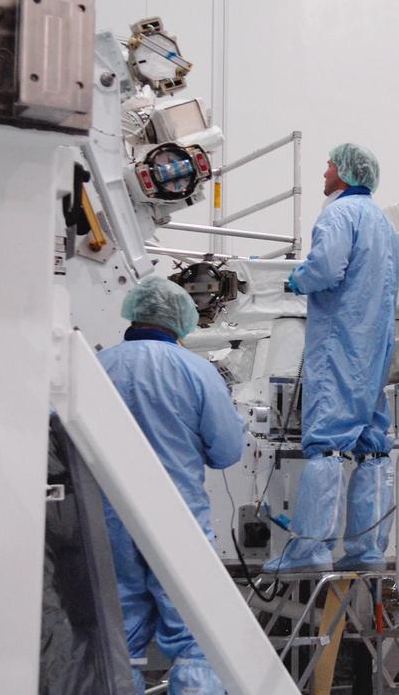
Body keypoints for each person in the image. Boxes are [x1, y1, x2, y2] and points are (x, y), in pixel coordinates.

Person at [99, 275, 246, 694]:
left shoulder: (97, 367)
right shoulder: (197, 372)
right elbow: (226, 451)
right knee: (198, 638)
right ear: (181, 319)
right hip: (176, 520)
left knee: (114, 643)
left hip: (108, 521)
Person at [263, 143, 399, 574]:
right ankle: (367, 549)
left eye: (328, 165)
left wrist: (294, 281)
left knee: (327, 444)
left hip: (341, 343)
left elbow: (325, 269)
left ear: (343, 172)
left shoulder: (339, 214)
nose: (324, 172)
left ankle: (310, 550)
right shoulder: (383, 223)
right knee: (372, 447)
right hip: (375, 348)